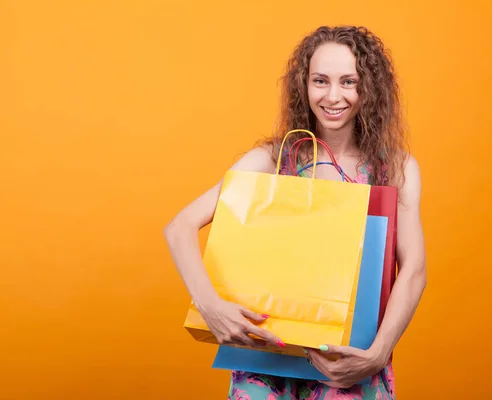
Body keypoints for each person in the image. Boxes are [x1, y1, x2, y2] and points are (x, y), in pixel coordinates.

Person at [163, 25, 426, 399]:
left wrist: (377, 355)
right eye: (320, 81)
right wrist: (210, 307)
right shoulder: (272, 160)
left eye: (348, 81)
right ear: (303, 85)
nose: (333, 96)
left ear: (369, 87)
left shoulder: (395, 168)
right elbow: (180, 227)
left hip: (349, 363)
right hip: (268, 360)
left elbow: (413, 269)